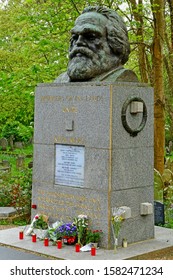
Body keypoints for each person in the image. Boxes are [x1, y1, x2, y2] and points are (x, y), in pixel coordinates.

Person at [55, 6, 138, 83]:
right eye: (75, 37)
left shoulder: (123, 80)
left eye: (90, 37)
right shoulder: (60, 81)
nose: (78, 42)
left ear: (116, 44)